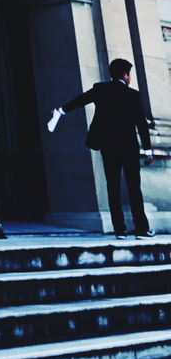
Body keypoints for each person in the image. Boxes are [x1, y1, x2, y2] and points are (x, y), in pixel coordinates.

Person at [52, 58, 154, 238]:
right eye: (129, 75)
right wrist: (148, 150)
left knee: (112, 187)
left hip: (109, 147)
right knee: (134, 188)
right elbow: (141, 125)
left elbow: (81, 100)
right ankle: (141, 229)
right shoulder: (133, 95)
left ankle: (120, 230)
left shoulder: (100, 90)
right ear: (125, 75)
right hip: (129, 147)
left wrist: (61, 111)